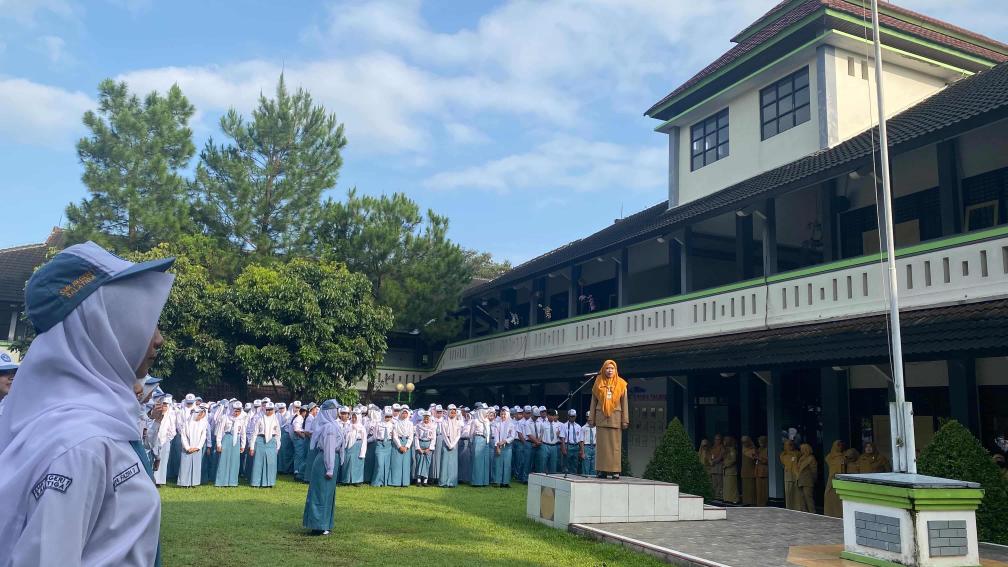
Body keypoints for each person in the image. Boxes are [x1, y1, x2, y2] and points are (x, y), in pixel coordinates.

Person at [0, 241, 175, 566]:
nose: (158, 339)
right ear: (101, 326)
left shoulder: (93, 427)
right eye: (145, 319)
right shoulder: (82, 447)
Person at [303, 400, 345, 536]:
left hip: (324, 460)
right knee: (323, 493)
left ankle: (322, 524)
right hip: (327, 461)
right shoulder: (330, 428)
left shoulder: (328, 425)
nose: (337, 413)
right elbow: (329, 449)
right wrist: (330, 468)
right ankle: (320, 525)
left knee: (324, 493)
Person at [588, 359, 629, 479]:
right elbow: (593, 402)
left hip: (615, 418)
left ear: (615, 370)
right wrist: (591, 418)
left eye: (612, 368)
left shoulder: (622, 384)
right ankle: (602, 470)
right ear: (603, 369)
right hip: (601, 418)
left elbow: (624, 403)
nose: (609, 370)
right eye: (607, 368)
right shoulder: (598, 383)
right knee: (601, 446)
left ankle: (615, 470)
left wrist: (625, 419)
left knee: (615, 446)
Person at [249, 402, 281, 487]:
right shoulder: (260, 419)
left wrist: (278, 446)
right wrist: (252, 447)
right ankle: (256, 482)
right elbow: (254, 433)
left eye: (271, 410)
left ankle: (269, 482)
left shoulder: (276, 420)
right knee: (258, 462)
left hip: (272, 442)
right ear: (265, 410)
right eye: (267, 410)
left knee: (271, 463)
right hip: (260, 440)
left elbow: (278, 434)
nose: (269, 411)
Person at [215, 401, 246, 487]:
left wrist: (243, 445)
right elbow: (220, 431)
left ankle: (232, 482)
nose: (237, 413)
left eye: (239, 411)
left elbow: (243, 433)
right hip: (227, 438)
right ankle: (221, 481)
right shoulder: (226, 417)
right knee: (223, 460)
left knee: (235, 461)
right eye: (235, 410)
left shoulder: (241, 419)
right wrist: (219, 444)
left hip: (236, 441)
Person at [178, 406, 208, 487]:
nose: (201, 416)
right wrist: (187, 448)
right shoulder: (186, 423)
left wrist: (198, 447)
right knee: (185, 465)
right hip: (187, 448)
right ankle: (184, 483)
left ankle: (194, 482)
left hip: (197, 448)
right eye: (199, 414)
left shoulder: (203, 423)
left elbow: (203, 436)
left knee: (196, 466)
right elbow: (183, 436)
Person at [492, 406, 516, 487]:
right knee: (498, 464)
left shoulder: (512, 424)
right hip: (499, 446)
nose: (503, 416)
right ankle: (497, 481)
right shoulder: (497, 424)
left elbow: (512, 436)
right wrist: (497, 447)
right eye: (501, 414)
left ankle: (505, 482)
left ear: (508, 415)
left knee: (507, 464)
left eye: (504, 414)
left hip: (508, 446)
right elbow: (496, 436)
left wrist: (505, 441)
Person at [370, 408, 395, 486]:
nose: (388, 418)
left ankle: (384, 482)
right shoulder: (378, 424)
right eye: (386, 416)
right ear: (383, 415)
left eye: (390, 416)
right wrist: (365, 441)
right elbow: (374, 436)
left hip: (388, 445)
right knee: (379, 464)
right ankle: (376, 482)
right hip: (379, 444)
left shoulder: (393, 425)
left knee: (386, 464)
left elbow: (394, 436)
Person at [439, 404, 462, 487]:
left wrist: (453, 444)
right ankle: (443, 482)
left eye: (454, 411)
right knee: (445, 462)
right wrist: (449, 444)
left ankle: (452, 482)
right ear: (448, 412)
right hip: (446, 443)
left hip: (454, 444)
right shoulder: (444, 422)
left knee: (453, 463)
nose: (453, 413)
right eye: (451, 411)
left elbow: (459, 434)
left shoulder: (458, 422)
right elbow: (444, 434)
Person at [390, 408, 415, 487]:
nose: (404, 415)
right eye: (403, 413)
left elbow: (411, 436)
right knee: (396, 463)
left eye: (406, 413)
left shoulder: (410, 424)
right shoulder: (396, 423)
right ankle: (395, 482)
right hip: (398, 444)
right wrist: (399, 446)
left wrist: (407, 446)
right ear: (400, 414)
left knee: (406, 464)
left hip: (407, 443)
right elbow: (395, 436)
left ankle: (405, 482)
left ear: (408, 414)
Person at [342, 409, 367, 485]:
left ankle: (357, 480)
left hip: (357, 445)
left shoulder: (361, 427)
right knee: (348, 462)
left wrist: (362, 451)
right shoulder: (348, 426)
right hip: (348, 446)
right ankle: (347, 480)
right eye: (352, 418)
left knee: (357, 463)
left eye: (355, 418)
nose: (353, 419)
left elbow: (364, 440)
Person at [470, 406, 492, 487]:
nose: (486, 415)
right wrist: (472, 442)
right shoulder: (475, 421)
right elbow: (471, 433)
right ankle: (476, 481)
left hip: (485, 441)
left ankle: (484, 481)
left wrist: (487, 441)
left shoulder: (487, 421)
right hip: (478, 439)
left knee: (485, 461)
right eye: (485, 413)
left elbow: (488, 432)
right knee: (477, 461)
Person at [824, 440, 846, 517]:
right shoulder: (830, 457)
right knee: (828, 495)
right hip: (832, 477)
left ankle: (839, 514)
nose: (840, 447)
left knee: (839, 497)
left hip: (841, 478)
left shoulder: (844, 456)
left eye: (841, 445)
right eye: (838, 445)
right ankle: (830, 513)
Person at [537, 408, 562, 474]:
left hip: (554, 446)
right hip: (545, 445)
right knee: (542, 463)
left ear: (555, 416)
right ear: (547, 416)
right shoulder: (543, 424)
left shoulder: (557, 425)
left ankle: (552, 481)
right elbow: (540, 435)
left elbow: (560, 437)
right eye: (550, 415)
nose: (551, 417)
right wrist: (537, 443)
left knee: (553, 464)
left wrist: (559, 435)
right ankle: (541, 479)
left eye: (553, 415)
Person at [414, 411, 436, 485]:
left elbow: (433, 438)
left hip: (428, 444)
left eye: (427, 419)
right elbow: (416, 437)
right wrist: (418, 447)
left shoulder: (433, 426)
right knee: (419, 461)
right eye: (425, 418)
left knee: (427, 462)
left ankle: (425, 480)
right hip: (420, 443)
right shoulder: (418, 425)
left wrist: (429, 448)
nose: (426, 420)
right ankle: (418, 479)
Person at [796, 443, 818, 513]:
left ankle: (812, 512)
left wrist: (814, 479)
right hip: (800, 480)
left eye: (803, 449)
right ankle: (804, 512)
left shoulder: (811, 458)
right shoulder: (801, 458)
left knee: (808, 498)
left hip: (808, 481)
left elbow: (814, 470)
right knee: (801, 498)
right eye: (801, 449)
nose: (801, 451)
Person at [560, 408, 582, 475]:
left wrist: (581, 449)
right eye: (571, 416)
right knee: (566, 463)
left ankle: (573, 477)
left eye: (573, 416)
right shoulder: (564, 425)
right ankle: (565, 477)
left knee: (575, 464)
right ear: (568, 416)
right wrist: (563, 448)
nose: (572, 418)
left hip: (576, 446)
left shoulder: (578, 426)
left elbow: (580, 439)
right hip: (568, 445)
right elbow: (562, 438)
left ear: (575, 416)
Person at [780, 439, 800, 510]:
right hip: (788, 476)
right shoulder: (783, 455)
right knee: (788, 493)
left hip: (796, 475)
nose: (791, 446)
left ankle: (797, 508)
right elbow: (784, 462)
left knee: (797, 493)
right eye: (789, 445)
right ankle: (789, 508)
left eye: (792, 444)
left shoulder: (797, 453)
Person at [292, 406, 308, 481]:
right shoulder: (298, 418)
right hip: (299, 438)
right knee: (299, 455)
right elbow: (296, 430)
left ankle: (299, 471)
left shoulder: (302, 418)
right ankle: (297, 471)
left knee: (301, 455)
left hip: (301, 438)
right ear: (303, 412)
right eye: (306, 412)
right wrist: (303, 437)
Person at [722, 436, 739, 504]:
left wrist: (726, 465)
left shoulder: (732, 449)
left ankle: (734, 499)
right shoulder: (726, 449)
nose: (725, 441)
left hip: (731, 470)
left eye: (726, 440)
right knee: (727, 486)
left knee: (732, 485)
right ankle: (727, 498)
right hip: (726, 471)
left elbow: (733, 459)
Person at [740, 436, 756, 506]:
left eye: (746, 441)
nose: (744, 443)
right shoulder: (743, 448)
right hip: (744, 470)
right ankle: (746, 501)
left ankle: (752, 501)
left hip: (751, 470)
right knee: (745, 487)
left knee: (751, 487)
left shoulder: (753, 449)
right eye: (743, 442)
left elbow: (754, 457)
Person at [755, 435, 769, 506]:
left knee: (764, 489)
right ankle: (759, 504)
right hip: (758, 471)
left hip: (764, 472)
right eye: (759, 441)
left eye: (761, 441)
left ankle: (764, 503)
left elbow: (767, 461)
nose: (760, 442)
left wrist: (758, 458)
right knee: (759, 490)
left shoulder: (767, 449)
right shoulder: (759, 449)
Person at [710, 433, 725, 500]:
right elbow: (710, 456)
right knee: (714, 483)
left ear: (720, 440)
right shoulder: (713, 447)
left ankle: (720, 496)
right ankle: (715, 496)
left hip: (719, 467)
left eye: (718, 439)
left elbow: (721, 456)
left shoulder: (722, 447)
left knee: (720, 483)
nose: (717, 441)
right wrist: (710, 461)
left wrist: (714, 461)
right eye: (715, 439)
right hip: (713, 467)